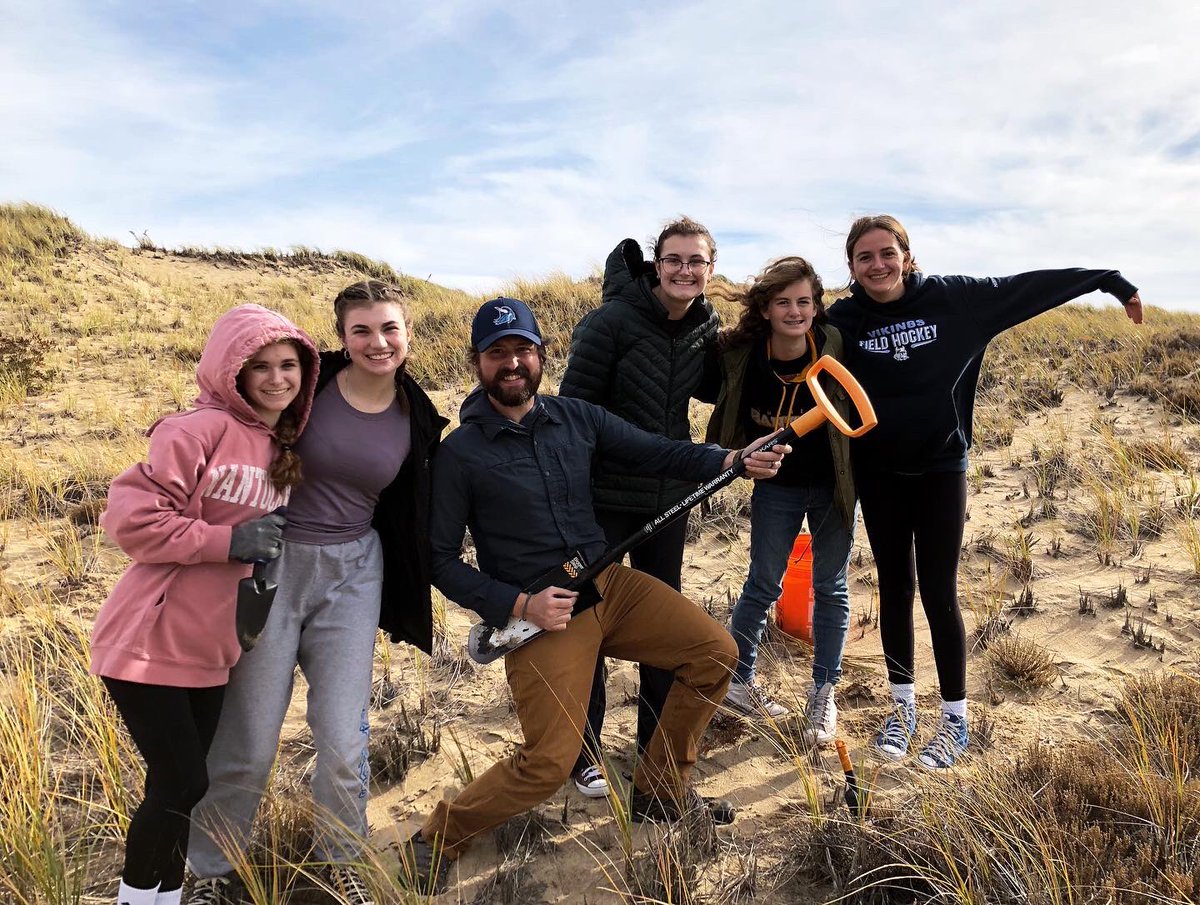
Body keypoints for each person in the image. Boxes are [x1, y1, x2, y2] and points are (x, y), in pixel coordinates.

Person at [398, 297, 788, 895]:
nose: (511, 363)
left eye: (522, 350)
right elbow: (440, 561)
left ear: (540, 356)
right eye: (497, 353)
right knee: (550, 762)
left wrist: (729, 459)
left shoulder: (577, 417)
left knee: (715, 654)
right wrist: (518, 605)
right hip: (545, 615)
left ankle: (659, 792)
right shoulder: (459, 454)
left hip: (610, 586)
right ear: (476, 361)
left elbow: (657, 450)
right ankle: (438, 837)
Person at [826, 214, 1144, 770]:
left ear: (908, 255)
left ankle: (954, 718)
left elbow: (1030, 287)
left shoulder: (957, 302)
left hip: (941, 468)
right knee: (894, 586)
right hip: (878, 472)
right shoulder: (843, 319)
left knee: (939, 590)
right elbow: (785, 341)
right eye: (864, 257)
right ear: (851, 267)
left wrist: (1110, 281)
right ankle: (902, 709)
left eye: (886, 253)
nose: (877, 265)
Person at [187, 281, 448, 905]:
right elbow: (232, 414)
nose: (377, 342)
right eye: (361, 330)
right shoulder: (307, 385)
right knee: (248, 739)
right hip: (273, 565)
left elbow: (410, 509)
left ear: (408, 333)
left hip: (356, 571)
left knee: (341, 735)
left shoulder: (418, 415)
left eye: (389, 328)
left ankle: (342, 860)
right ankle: (211, 871)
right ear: (341, 338)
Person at [90, 304, 318, 905]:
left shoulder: (279, 446)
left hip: (213, 648)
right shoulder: (196, 429)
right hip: (150, 638)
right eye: (260, 366)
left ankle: (164, 896)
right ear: (231, 373)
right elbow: (130, 519)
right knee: (180, 780)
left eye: (289, 365)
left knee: (186, 789)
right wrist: (227, 540)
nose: (276, 379)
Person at [558, 216, 720, 798]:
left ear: (710, 267)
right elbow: (571, 414)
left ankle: (654, 747)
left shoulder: (706, 324)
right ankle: (585, 752)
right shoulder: (610, 323)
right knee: (592, 623)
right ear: (656, 264)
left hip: (668, 500)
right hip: (603, 499)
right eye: (673, 260)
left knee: (664, 628)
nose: (684, 270)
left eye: (696, 261)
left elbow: (719, 387)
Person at [705, 256, 856, 743]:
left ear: (816, 306)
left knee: (831, 588)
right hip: (778, 488)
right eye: (783, 302)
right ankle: (738, 679)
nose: (795, 311)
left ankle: (822, 693)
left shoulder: (832, 343)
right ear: (765, 309)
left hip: (833, 484)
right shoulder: (741, 353)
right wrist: (735, 455)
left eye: (804, 302)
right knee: (762, 584)